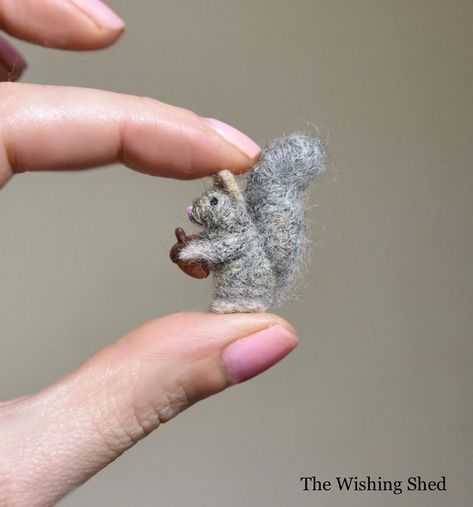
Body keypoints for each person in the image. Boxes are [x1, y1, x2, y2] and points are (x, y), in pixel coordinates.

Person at [0, 1, 297, 504]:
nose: (198, 208)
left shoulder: (241, 236)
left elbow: (222, 248)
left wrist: (197, 249)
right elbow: (205, 258)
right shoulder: (221, 229)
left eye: (209, 204)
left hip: (242, 292)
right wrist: (188, 253)